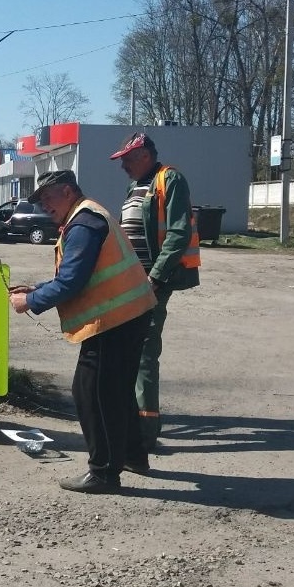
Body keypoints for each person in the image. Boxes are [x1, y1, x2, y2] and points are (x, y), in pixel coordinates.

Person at [8, 170, 156, 494]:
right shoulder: (88, 216)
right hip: (130, 314)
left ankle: (103, 472)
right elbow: (81, 277)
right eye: (40, 201)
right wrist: (38, 289)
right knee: (116, 390)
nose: (44, 206)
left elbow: (72, 282)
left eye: (47, 198)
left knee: (90, 393)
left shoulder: (83, 223)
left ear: (67, 191)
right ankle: (133, 455)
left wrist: (30, 300)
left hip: (112, 321)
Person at [109, 132, 200, 450]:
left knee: (145, 350)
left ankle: (145, 431)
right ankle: (131, 417)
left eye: (128, 160)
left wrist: (156, 278)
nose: (123, 167)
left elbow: (178, 232)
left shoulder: (169, 179)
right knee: (128, 348)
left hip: (152, 282)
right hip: (132, 280)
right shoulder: (135, 186)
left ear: (145, 155)